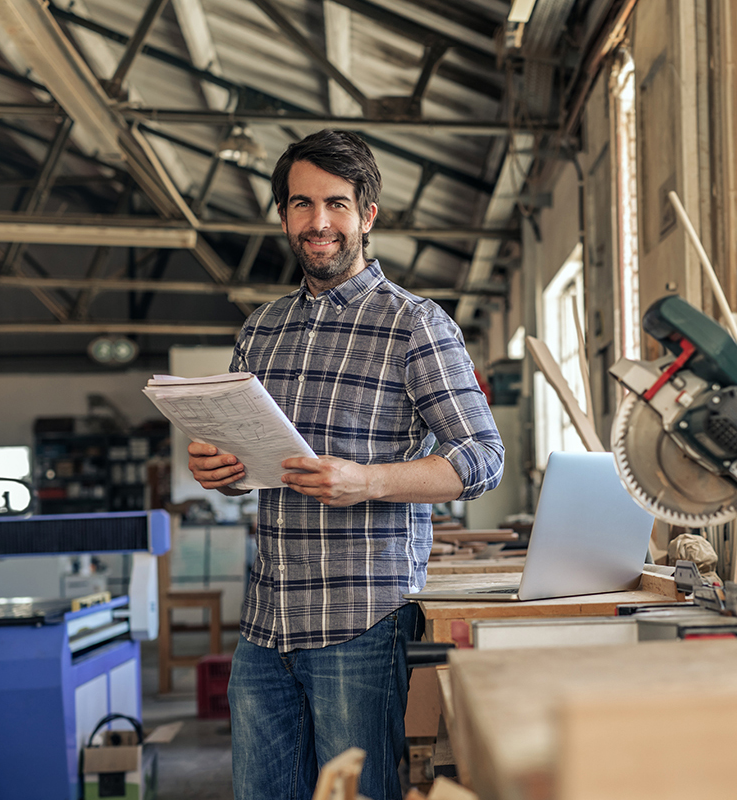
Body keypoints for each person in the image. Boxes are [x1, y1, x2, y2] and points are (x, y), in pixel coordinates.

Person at [187, 129, 504, 800]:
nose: (318, 222)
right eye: (301, 205)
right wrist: (223, 466)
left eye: (336, 203)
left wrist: (370, 481)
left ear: (367, 215)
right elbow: (254, 456)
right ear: (283, 217)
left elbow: (482, 458)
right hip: (266, 625)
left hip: (360, 623)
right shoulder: (260, 330)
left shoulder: (415, 325)